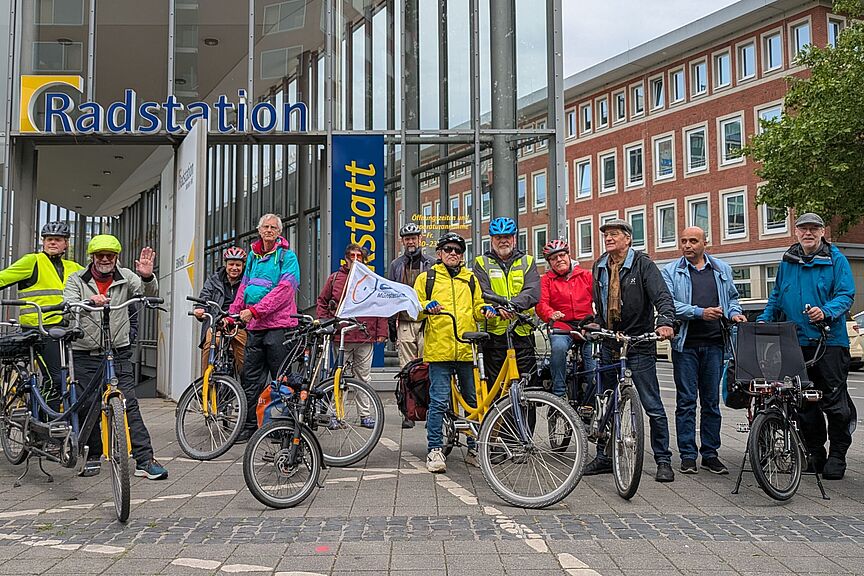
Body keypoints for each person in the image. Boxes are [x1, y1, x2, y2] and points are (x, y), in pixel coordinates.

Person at [758, 212, 856, 480]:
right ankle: (815, 452)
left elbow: (846, 294)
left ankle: (838, 455)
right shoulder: (788, 260)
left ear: (823, 232)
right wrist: (765, 319)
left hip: (829, 342)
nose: (808, 233)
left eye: (814, 229)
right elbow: (777, 296)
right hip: (795, 342)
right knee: (802, 402)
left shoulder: (836, 259)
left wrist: (825, 311)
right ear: (796, 232)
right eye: (803, 229)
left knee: (835, 403)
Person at [63, 234, 166, 480]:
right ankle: (93, 454)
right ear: (92, 257)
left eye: (110, 255)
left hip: (118, 351)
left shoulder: (126, 276)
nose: (105, 259)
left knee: (129, 404)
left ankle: (144, 460)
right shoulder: (77, 279)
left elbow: (147, 293)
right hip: (85, 352)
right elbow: (68, 306)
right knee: (87, 406)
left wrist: (147, 276)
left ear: (116, 257)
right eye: (100, 255)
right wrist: (88, 302)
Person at [590, 219, 676, 482]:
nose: (608, 238)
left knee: (652, 404)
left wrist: (665, 321)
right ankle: (604, 457)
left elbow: (662, 296)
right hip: (609, 342)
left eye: (614, 234)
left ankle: (663, 460)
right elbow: (598, 302)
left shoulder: (643, 265)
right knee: (606, 402)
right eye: (606, 235)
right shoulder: (600, 266)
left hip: (638, 342)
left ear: (628, 239)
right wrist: (594, 322)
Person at [662, 226, 746, 475]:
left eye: (693, 241)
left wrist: (734, 313)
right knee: (686, 402)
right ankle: (688, 455)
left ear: (704, 243)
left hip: (715, 344)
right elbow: (669, 304)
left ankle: (710, 454)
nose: (687, 245)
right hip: (685, 345)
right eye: (683, 241)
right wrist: (699, 312)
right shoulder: (670, 271)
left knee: (711, 402)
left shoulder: (721, 269)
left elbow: (732, 298)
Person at [415, 232, 492, 473]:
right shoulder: (427, 278)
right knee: (438, 401)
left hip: (466, 349)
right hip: (439, 349)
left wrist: (485, 310)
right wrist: (426, 306)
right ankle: (435, 450)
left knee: (472, 402)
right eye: (448, 249)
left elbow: (477, 307)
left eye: (458, 250)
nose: (453, 253)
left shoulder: (470, 279)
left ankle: (474, 448)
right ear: (439, 253)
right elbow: (413, 309)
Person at [229, 214, 300, 442]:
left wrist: (255, 311)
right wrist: (232, 314)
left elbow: (284, 291)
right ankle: (250, 426)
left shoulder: (287, 257)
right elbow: (244, 287)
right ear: (259, 231)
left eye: (273, 227)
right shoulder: (252, 255)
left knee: (281, 379)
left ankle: (283, 428)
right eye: (265, 227)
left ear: (279, 232)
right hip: (255, 327)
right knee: (250, 379)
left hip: (280, 326)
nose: (269, 230)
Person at [0, 222, 83, 409]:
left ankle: (63, 415)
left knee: (71, 377)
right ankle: (46, 422)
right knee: (55, 378)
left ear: (66, 243)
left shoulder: (74, 267)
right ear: (43, 242)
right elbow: (3, 277)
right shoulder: (33, 261)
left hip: (65, 329)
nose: (52, 242)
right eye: (49, 239)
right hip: (38, 330)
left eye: (58, 239)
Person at [317, 243, 388, 428]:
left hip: (365, 335)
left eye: (359, 256)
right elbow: (322, 301)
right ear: (346, 259)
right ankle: (336, 415)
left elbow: (379, 305)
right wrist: (326, 323)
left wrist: (381, 332)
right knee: (339, 377)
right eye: (352, 256)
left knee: (363, 378)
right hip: (341, 336)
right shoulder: (334, 278)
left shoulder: (371, 279)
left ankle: (365, 415)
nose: (355, 259)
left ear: (363, 260)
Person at [473, 217, 540, 385]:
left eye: (507, 237)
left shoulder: (527, 261)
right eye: (498, 237)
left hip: (522, 331)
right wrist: (498, 307)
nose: (503, 241)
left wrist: (512, 307)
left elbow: (532, 291)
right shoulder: (482, 263)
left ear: (514, 238)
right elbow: (483, 291)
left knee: (527, 385)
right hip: (494, 334)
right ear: (492, 240)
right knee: (496, 385)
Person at [388, 222, 435, 429]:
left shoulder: (431, 263)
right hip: (405, 321)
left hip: (426, 321)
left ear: (420, 239)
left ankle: (429, 410)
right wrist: (392, 323)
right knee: (406, 369)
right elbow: (391, 295)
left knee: (429, 367)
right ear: (403, 241)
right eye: (407, 239)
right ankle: (408, 412)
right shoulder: (396, 265)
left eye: (413, 238)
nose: (411, 242)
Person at [535, 239, 595, 399]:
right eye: (554, 258)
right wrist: (550, 314)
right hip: (561, 325)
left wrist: (596, 321)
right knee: (559, 348)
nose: (559, 260)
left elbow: (600, 299)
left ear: (569, 256)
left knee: (593, 364)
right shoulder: (546, 280)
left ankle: (590, 400)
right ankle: (559, 394)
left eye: (562, 255)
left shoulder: (586, 276)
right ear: (549, 263)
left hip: (586, 325)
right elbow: (541, 304)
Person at [193, 246, 248, 377]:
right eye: (231, 264)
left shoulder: (248, 281)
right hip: (217, 322)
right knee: (210, 344)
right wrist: (200, 309)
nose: (234, 268)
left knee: (245, 356)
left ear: (243, 266)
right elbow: (205, 296)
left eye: (238, 265)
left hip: (239, 323)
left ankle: (244, 384)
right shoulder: (214, 280)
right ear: (225, 264)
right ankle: (206, 381)